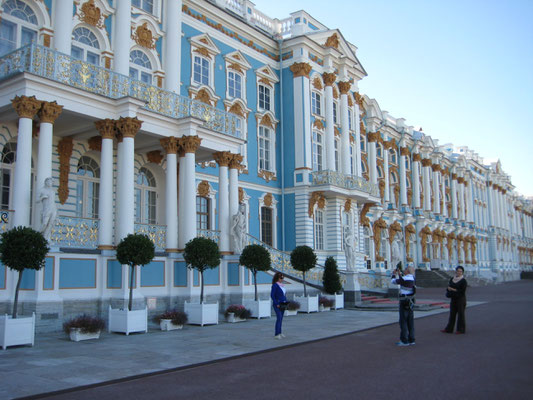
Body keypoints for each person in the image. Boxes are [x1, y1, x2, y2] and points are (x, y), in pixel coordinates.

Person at [391, 264, 416, 346]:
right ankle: (411, 339)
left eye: (405, 270)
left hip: (404, 301)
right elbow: (403, 280)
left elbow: (393, 281)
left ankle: (404, 340)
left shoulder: (405, 278)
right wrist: (399, 274)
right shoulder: (412, 278)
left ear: (408, 271)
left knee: (403, 321)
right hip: (411, 301)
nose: (404, 271)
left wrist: (394, 274)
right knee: (410, 321)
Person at [442, 266, 467, 334]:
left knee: (461, 314)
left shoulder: (463, 281)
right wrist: (450, 289)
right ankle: (449, 329)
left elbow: (462, 291)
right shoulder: (452, 279)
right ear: (455, 271)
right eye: (458, 271)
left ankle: (460, 329)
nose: (459, 272)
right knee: (452, 314)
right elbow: (448, 287)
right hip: (453, 299)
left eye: (460, 271)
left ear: (462, 272)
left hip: (461, 299)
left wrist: (453, 289)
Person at [38, 177, 57, 241]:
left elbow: (53, 201)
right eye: (49, 182)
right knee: (44, 224)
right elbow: (36, 200)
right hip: (46, 209)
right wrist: (42, 197)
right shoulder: (42, 190)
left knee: (50, 225)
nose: (50, 183)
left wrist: (56, 211)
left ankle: (46, 238)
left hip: (53, 209)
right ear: (46, 182)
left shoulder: (53, 192)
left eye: (51, 182)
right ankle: (36, 236)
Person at [270, 272, 287, 339]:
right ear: (277, 278)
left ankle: (280, 332)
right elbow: (272, 295)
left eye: (282, 278)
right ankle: (277, 334)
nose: (282, 279)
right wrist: (276, 303)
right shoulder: (275, 285)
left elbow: (284, 295)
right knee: (279, 318)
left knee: (281, 319)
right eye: (281, 278)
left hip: (283, 303)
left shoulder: (282, 285)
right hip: (277, 304)